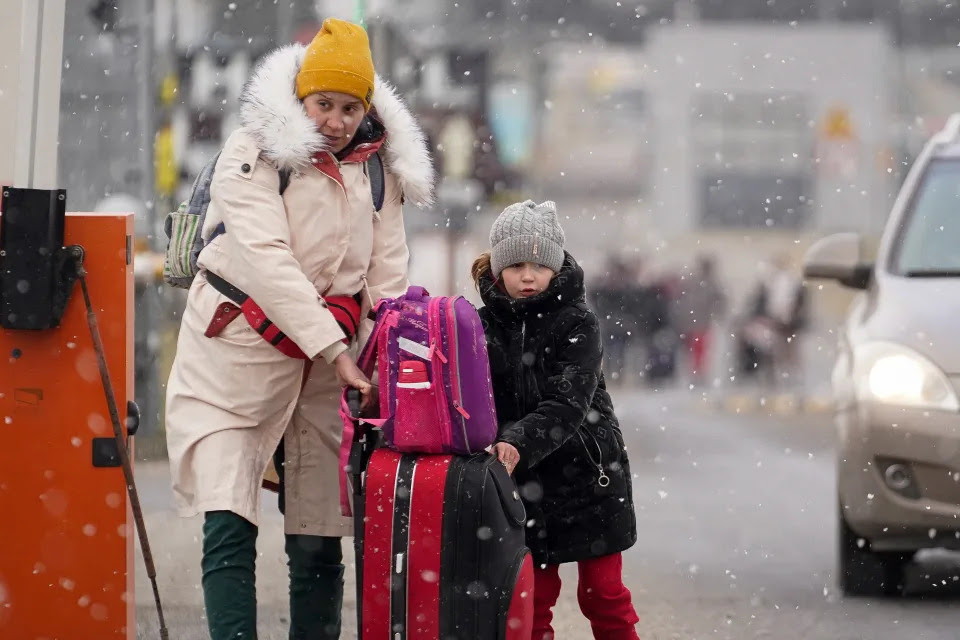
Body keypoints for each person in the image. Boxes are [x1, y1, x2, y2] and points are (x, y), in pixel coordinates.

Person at [164, 18, 434, 640]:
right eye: (322, 104)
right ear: (300, 98)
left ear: (366, 107)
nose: (335, 120)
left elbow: (386, 274)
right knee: (228, 517)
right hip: (233, 352)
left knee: (318, 532)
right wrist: (338, 350)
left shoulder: (379, 169)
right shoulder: (254, 151)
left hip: (325, 370)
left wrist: (385, 355)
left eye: (349, 107)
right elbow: (265, 258)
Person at [471, 200, 640, 640]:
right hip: (522, 487)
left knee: (603, 595)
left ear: (558, 266)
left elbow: (569, 402)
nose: (528, 276)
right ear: (497, 270)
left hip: (589, 479)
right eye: (516, 265)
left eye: (540, 265)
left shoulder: (577, 321)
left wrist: (518, 441)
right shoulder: (482, 326)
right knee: (531, 601)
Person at [674, 254, 727, 386]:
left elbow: (719, 301)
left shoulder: (708, 283)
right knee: (695, 350)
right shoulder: (697, 282)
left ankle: (699, 373)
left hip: (701, 321)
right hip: (695, 321)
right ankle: (696, 373)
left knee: (699, 350)